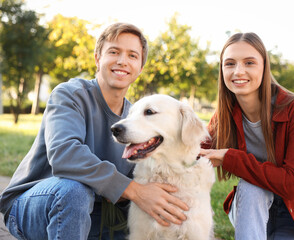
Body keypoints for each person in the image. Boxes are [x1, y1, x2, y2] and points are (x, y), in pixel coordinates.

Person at [0, 22, 188, 240]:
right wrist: (134, 191)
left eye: (132, 56)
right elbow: (64, 155)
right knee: (74, 191)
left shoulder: (137, 119)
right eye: (114, 52)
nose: (122, 61)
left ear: (140, 68)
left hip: (95, 214)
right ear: (98, 59)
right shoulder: (70, 95)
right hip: (37, 203)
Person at [200, 32, 294, 239]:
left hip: (293, 214)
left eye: (249, 62)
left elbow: (291, 184)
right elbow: (192, 152)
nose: (238, 71)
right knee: (251, 187)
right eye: (230, 64)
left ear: (264, 66)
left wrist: (229, 158)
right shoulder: (224, 115)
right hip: (251, 207)